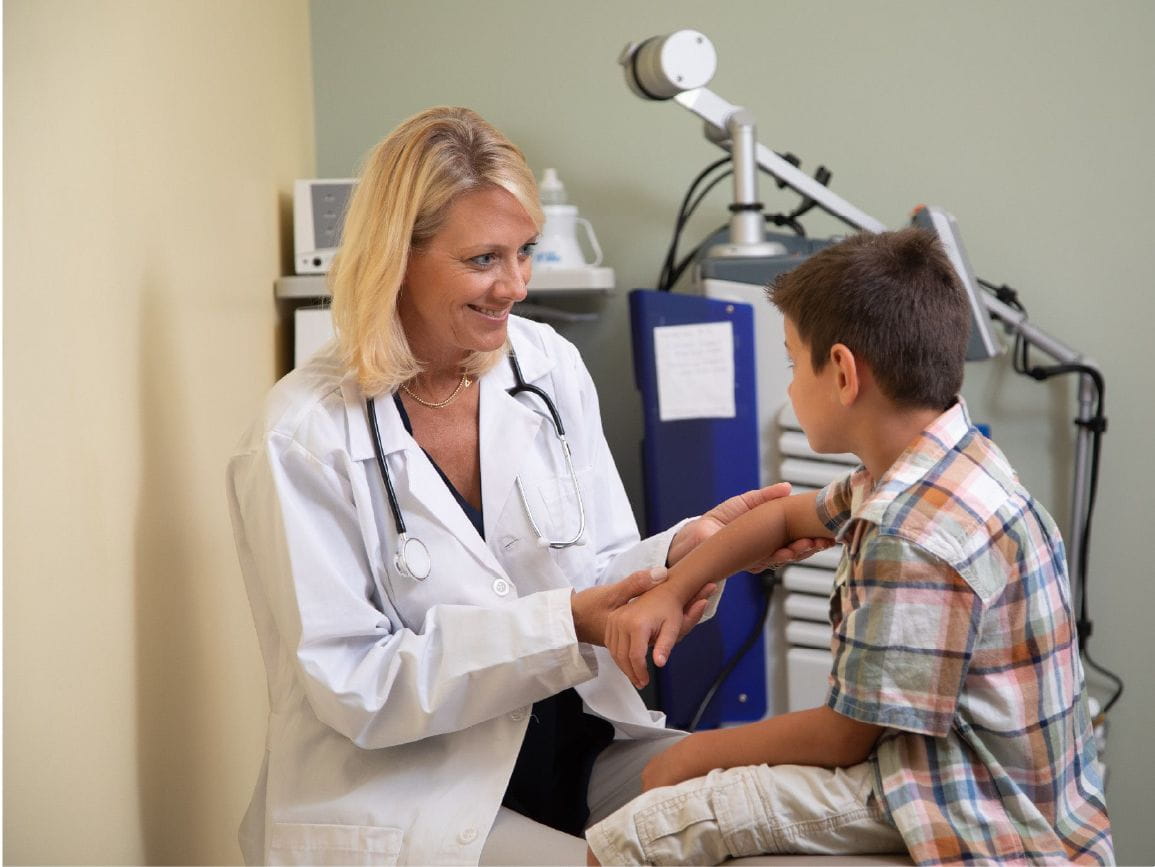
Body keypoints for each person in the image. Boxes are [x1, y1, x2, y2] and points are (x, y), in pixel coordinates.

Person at [226, 106, 824, 867]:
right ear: (395, 257)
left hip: (577, 748)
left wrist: (684, 553)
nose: (514, 285)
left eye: (526, 251)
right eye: (483, 259)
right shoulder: (301, 436)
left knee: (776, 817)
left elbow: (596, 565)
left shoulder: (543, 364)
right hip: (414, 791)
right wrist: (566, 623)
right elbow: (357, 686)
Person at [586, 228, 1114, 866]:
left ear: (841, 372)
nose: (789, 388)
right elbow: (783, 517)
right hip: (1021, 795)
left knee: (641, 832)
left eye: (791, 364)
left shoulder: (908, 530)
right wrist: (672, 590)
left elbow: (843, 738)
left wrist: (691, 754)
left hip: (966, 805)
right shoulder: (949, 463)